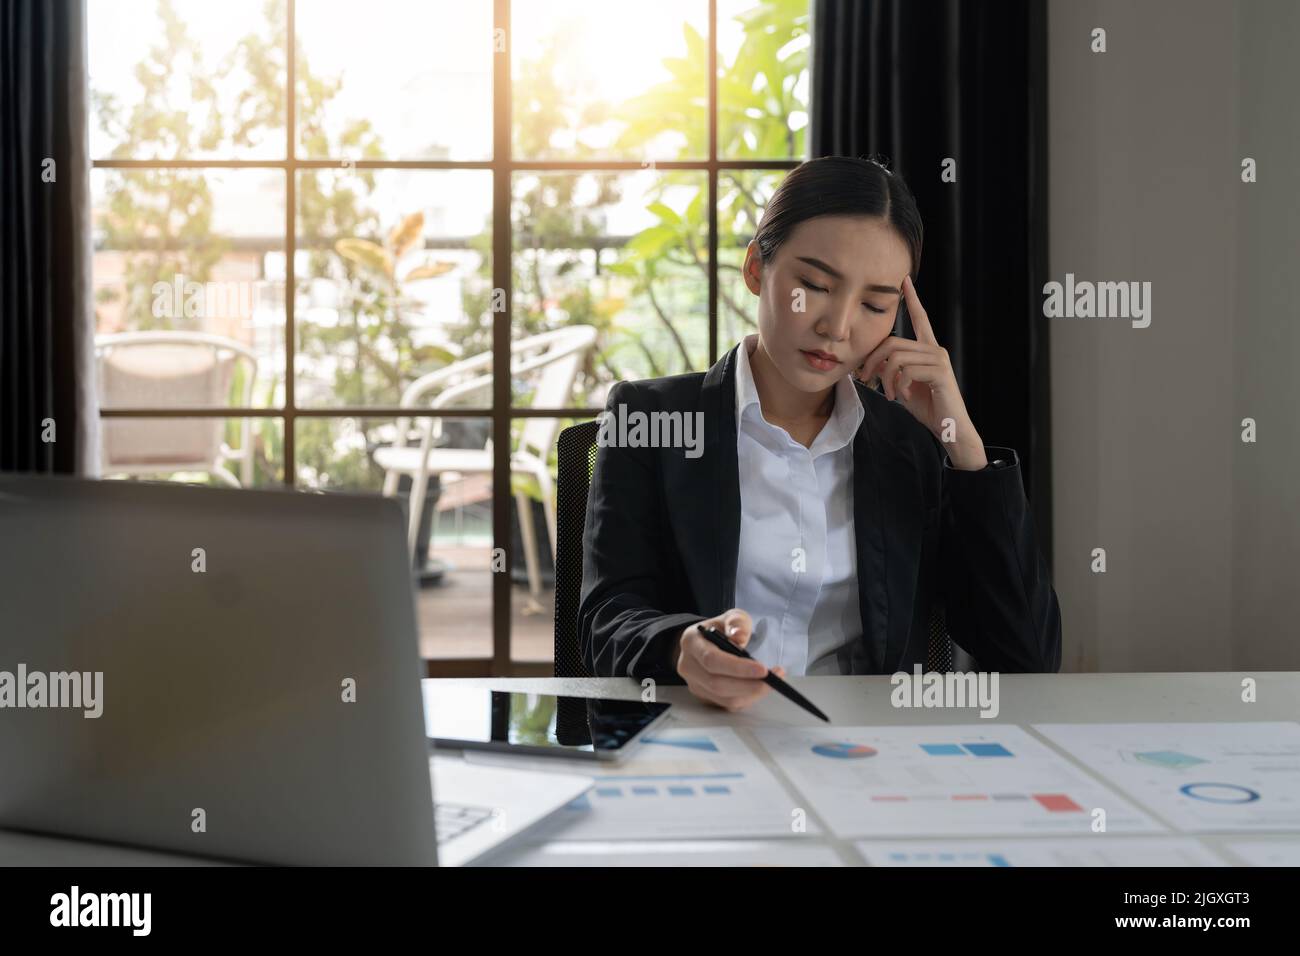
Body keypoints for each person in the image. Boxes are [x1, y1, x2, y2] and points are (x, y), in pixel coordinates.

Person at [578, 155, 1062, 711]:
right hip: (703, 738)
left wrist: (966, 448)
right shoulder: (650, 418)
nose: (838, 327)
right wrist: (678, 647)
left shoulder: (907, 445)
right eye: (814, 285)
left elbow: (1027, 656)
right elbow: (607, 621)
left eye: (876, 304)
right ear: (757, 268)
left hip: (866, 756)